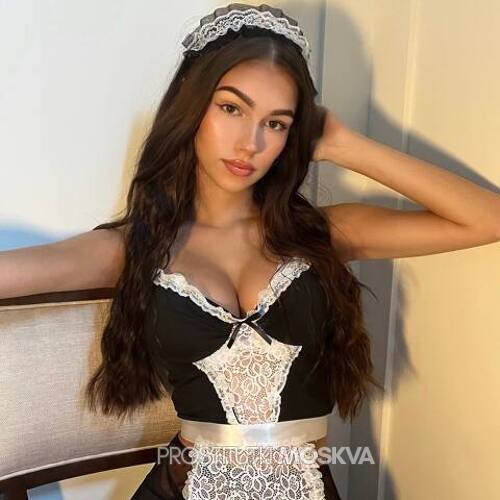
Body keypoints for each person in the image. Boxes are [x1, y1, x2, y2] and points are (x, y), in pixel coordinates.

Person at [1, 3, 499, 499]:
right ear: (192, 107)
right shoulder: (136, 246)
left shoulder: (323, 234)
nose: (250, 143)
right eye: (231, 109)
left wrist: (345, 145)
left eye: (276, 123)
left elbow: (486, 219)